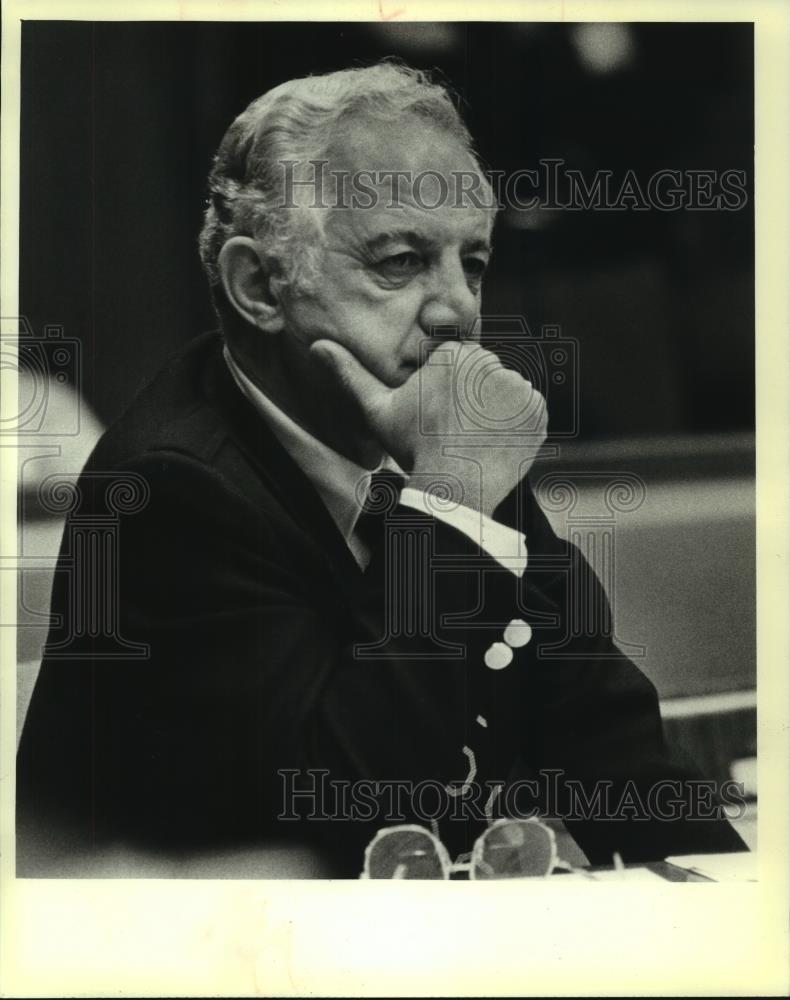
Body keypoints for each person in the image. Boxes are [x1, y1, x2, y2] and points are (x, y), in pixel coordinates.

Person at [17, 61, 745, 877]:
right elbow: (359, 824)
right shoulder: (170, 489)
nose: (458, 309)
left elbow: (609, 746)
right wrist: (454, 504)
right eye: (400, 262)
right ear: (260, 285)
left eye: (471, 261)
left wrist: (738, 917)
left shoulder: (432, 432)